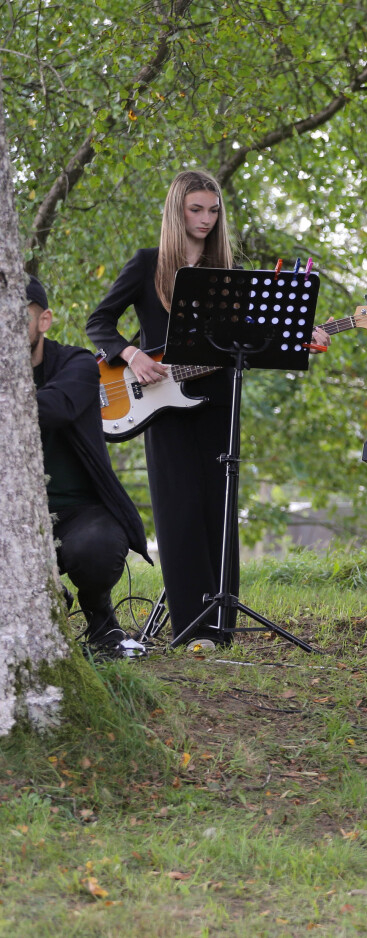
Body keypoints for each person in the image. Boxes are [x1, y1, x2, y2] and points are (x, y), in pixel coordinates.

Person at [87, 169, 327, 646]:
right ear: (177, 211)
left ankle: (222, 628)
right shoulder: (147, 265)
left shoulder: (230, 277)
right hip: (161, 407)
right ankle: (192, 629)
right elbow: (99, 322)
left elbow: (254, 343)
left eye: (213, 210)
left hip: (218, 402)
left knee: (219, 511)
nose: (205, 219)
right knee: (177, 515)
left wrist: (305, 335)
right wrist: (132, 355)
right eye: (195, 209)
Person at [27, 275, 151, 659]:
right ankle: (50, 597)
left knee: (98, 548)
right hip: (15, 518)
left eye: (18, 317)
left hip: (79, 512)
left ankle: (100, 616)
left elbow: (55, 407)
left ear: (44, 320)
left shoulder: (78, 363)